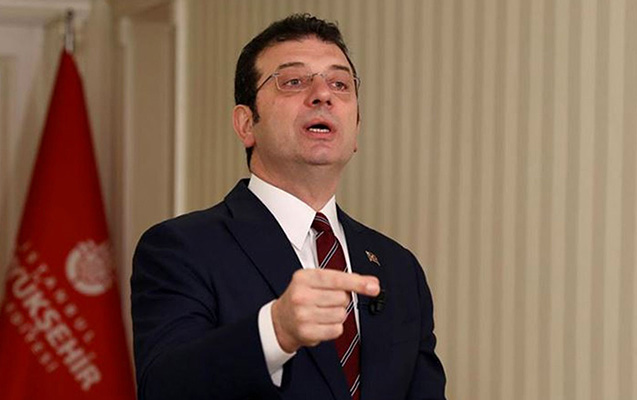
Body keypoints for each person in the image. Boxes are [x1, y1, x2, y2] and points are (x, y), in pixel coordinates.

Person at [131, 14, 446, 400]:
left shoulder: (399, 268)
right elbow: (163, 388)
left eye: (340, 84)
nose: (323, 95)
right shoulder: (180, 248)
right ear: (246, 124)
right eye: (294, 81)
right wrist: (275, 331)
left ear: (356, 130)